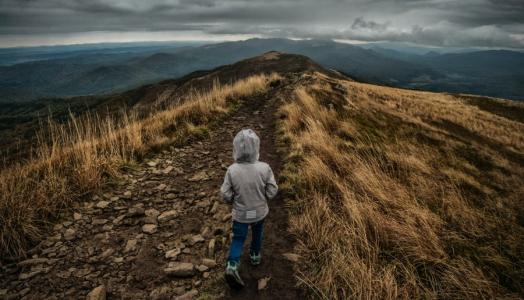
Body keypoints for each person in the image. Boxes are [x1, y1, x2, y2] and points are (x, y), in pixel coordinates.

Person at [220, 128, 278, 289]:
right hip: (259, 212)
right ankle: (255, 256)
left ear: (236, 148)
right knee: (258, 233)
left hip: (241, 214)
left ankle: (232, 265)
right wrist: (264, 194)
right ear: (257, 147)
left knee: (238, 238)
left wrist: (233, 199)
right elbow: (272, 191)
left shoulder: (232, 170)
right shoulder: (265, 167)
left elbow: (225, 194)